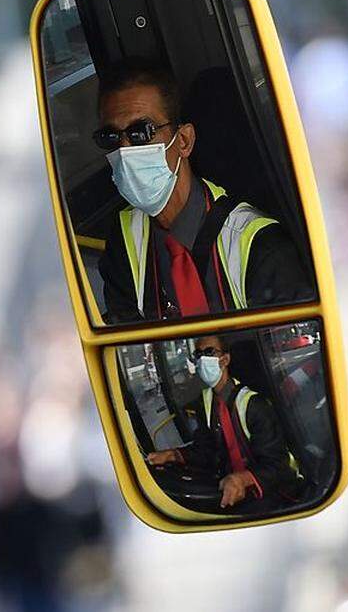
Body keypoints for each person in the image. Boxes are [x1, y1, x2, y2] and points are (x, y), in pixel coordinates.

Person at [92, 62, 311, 323]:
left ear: (183, 141)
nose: (125, 150)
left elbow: (294, 351)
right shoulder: (123, 238)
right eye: (111, 138)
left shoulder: (257, 244)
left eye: (141, 133)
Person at [147, 334, 298, 511]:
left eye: (210, 352)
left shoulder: (253, 405)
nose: (203, 360)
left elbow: (278, 466)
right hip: (229, 488)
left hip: (271, 492)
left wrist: (243, 479)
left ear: (225, 359)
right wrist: (174, 455)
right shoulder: (206, 402)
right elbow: (206, 450)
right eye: (198, 354)